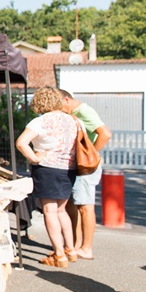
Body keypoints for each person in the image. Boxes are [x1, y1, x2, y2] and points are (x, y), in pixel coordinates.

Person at [15, 86, 80, 268]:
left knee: (49, 211)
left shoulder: (40, 121)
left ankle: (59, 254)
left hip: (48, 169)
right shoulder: (73, 121)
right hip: (69, 169)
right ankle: (70, 249)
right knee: (62, 210)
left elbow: (21, 142)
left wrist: (34, 158)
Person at [60, 89, 112, 260]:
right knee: (73, 205)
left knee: (85, 206)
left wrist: (91, 155)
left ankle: (86, 248)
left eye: (59, 106)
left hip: (86, 168)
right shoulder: (76, 112)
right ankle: (76, 245)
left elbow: (105, 134)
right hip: (79, 167)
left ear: (66, 100)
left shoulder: (84, 111)